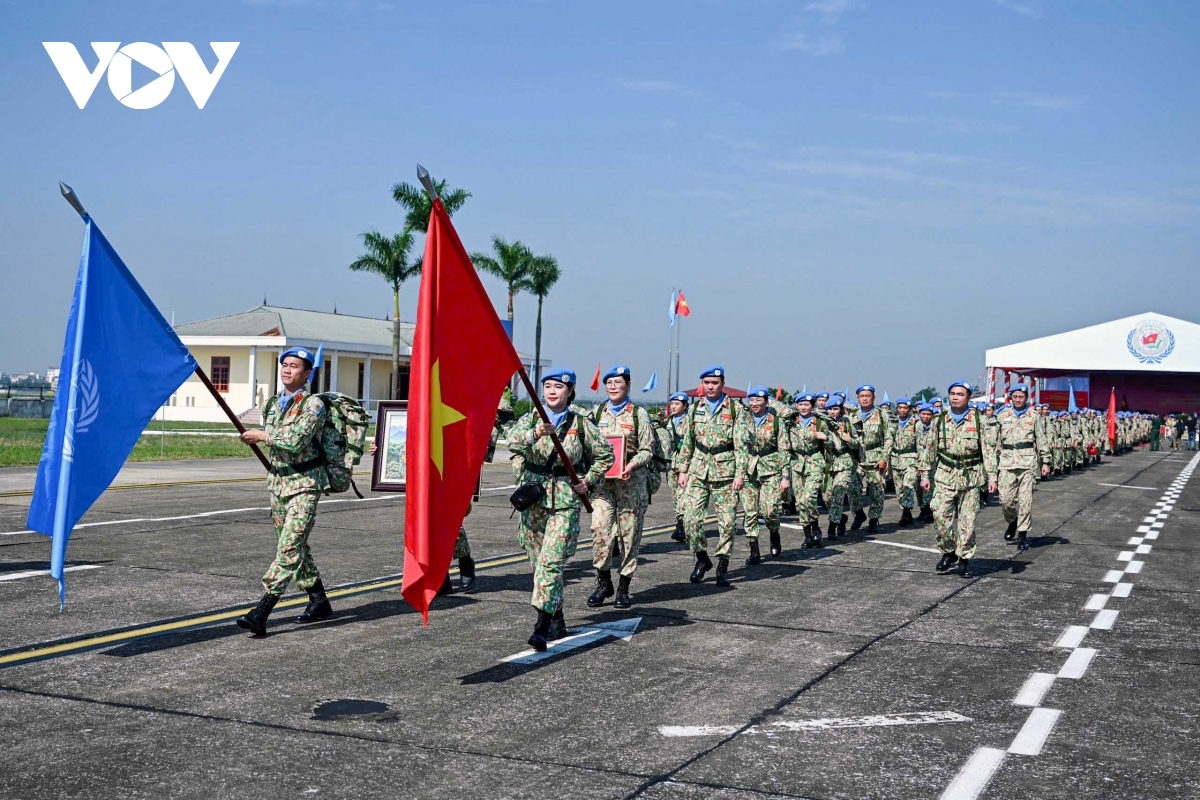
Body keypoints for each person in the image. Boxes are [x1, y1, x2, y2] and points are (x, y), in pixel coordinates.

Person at [509, 369, 613, 651]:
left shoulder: (580, 421)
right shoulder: (530, 418)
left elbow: (605, 455)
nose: (552, 391)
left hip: (565, 501)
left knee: (550, 564)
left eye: (558, 387)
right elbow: (512, 442)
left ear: (570, 391)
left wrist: (587, 481)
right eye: (548, 386)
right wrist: (536, 433)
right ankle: (556, 615)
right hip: (533, 501)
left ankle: (541, 626)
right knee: (537, 564)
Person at [236, 347, 331, 637]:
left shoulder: (313, 405)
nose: (288, 370)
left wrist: (263, 436)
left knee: (288, 547)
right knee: (295, 546)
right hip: (278, 485)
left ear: (307, 374)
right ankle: (319, 600)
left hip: (304, 485)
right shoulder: (273, 404)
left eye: (295, 366)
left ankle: (262, 610)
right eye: (285, 365)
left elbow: (295, 441)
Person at [586, 365, 655, 610]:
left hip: (631, 484)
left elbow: (648, 449)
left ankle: (624, 587)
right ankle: (604, 582)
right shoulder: (596, 414)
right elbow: (587, 447)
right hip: (603, 485)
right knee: (600, 531)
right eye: (610, 383)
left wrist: (632, 464)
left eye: (618, 382)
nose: (613, 387)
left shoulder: (638, 414)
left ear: (628, 385)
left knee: (629, 536)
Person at [677, 365, 748, 586]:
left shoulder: (735, 410)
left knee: (727, 522)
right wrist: (682, 469)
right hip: (698, 470)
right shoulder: (694, 410)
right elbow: (688, 441)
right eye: (707, 383)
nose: (710, 387)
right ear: (702, 384)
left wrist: (740, 474)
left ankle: (722, 565)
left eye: (714, 383)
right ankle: (701, 558)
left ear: (722, 384)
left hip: (725, 472)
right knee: (691, 520)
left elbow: (741, 446)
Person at [920, 381, 997, 578]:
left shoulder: (979, 421)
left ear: (968, 398)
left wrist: (992, 477)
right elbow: (929, 449)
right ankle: (948, 551)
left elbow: (988, 451)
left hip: (971, 476)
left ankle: (964, 559)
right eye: (952, 393)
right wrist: (925, 474)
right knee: (939, 516)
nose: (955, 397)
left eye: (960, 394)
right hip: (945, 474)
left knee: (967, 521)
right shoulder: (939, 421)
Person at [737, 386, 793, 564]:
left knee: (770, 510)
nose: (754, 404)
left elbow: (784, 449)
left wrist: (785, 476)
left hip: (771, 469)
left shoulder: (776, 421)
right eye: (751, 400)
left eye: (758, 400)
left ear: (766, 402)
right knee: (750, 512)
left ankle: (774, 532)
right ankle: (754, 550)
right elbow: (738, 445)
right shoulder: (742, 419)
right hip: (749, 469)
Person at [994, 385, 1051, 551]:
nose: (1018, 400)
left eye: (1021, 397)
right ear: (1011, 398)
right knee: (1006, 501)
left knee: (1026, 502)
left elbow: (1041, 438)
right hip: (1006, 462)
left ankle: (1023, 535)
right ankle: (1012, 521)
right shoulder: (1002, 415)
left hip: (1027, 463)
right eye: (1015, 396)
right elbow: (995, 440)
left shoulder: (1033, 415)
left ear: (1026, 398)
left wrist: (1045, 461)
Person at [788, 392, 830, 547]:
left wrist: (826, 439)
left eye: (806, 404)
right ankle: (807, 534)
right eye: (800, 404)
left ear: (812, 406)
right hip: (797, 464)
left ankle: (815, 525)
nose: (803, 407)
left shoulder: (820, 423)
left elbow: (832, 445)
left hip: (814, 463)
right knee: (800, 502)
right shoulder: (791, 422)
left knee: (809, 499)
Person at [850, 385, 893, 532]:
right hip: (857, 459)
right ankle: (859, 513)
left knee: (876, 490)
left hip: (876, 457)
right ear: (858, 398)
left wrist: (884, 458)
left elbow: (888, 438)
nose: (865, 398)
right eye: (862, 396)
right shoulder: (852, 416)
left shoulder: (881, 415)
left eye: (868, 396)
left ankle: (874, 519)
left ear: (873, 398)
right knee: (851, 487)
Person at [823, 394, 860, 541]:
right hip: (828, 465)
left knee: (838, 494)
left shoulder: (848, 422)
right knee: (827, 497)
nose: (832, 412)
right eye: (830, 409)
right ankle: (841, 518)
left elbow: (858, 444)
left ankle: (832, 526)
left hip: (844, 463)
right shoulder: (823, 424)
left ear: (841, 409)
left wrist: (849, 439)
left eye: (835, 409)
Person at [663, 392, 691, 542]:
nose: (673, 406)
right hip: (672, 463)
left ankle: (682, 525)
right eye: (672, 404)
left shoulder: (690, 421)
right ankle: (680, 522)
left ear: (685, 405)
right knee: (675, 494)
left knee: (683, 495)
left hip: (685, 464)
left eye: (677, 404)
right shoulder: (669, 421)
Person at [891, 398, 920, 526]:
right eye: (900, 407)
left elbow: (920, 444)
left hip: (910, 458)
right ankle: (905, 509)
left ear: (910, 409)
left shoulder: (915, 423)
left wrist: (920, 463)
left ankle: (906, 513)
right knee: (899, 489)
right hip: (895, 459)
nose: (902, 410)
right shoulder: (892, 422)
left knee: (908, 485)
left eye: (905, 408)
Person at [915, 403, 936, 522]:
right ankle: (922, 508)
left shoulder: (936, 427)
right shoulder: (915, 426)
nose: (926, 416)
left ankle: (929, 509)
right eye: (923, 414)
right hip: (918, 460)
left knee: (929, 486)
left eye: (928, 414)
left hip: (931, 461)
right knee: (918, 486)